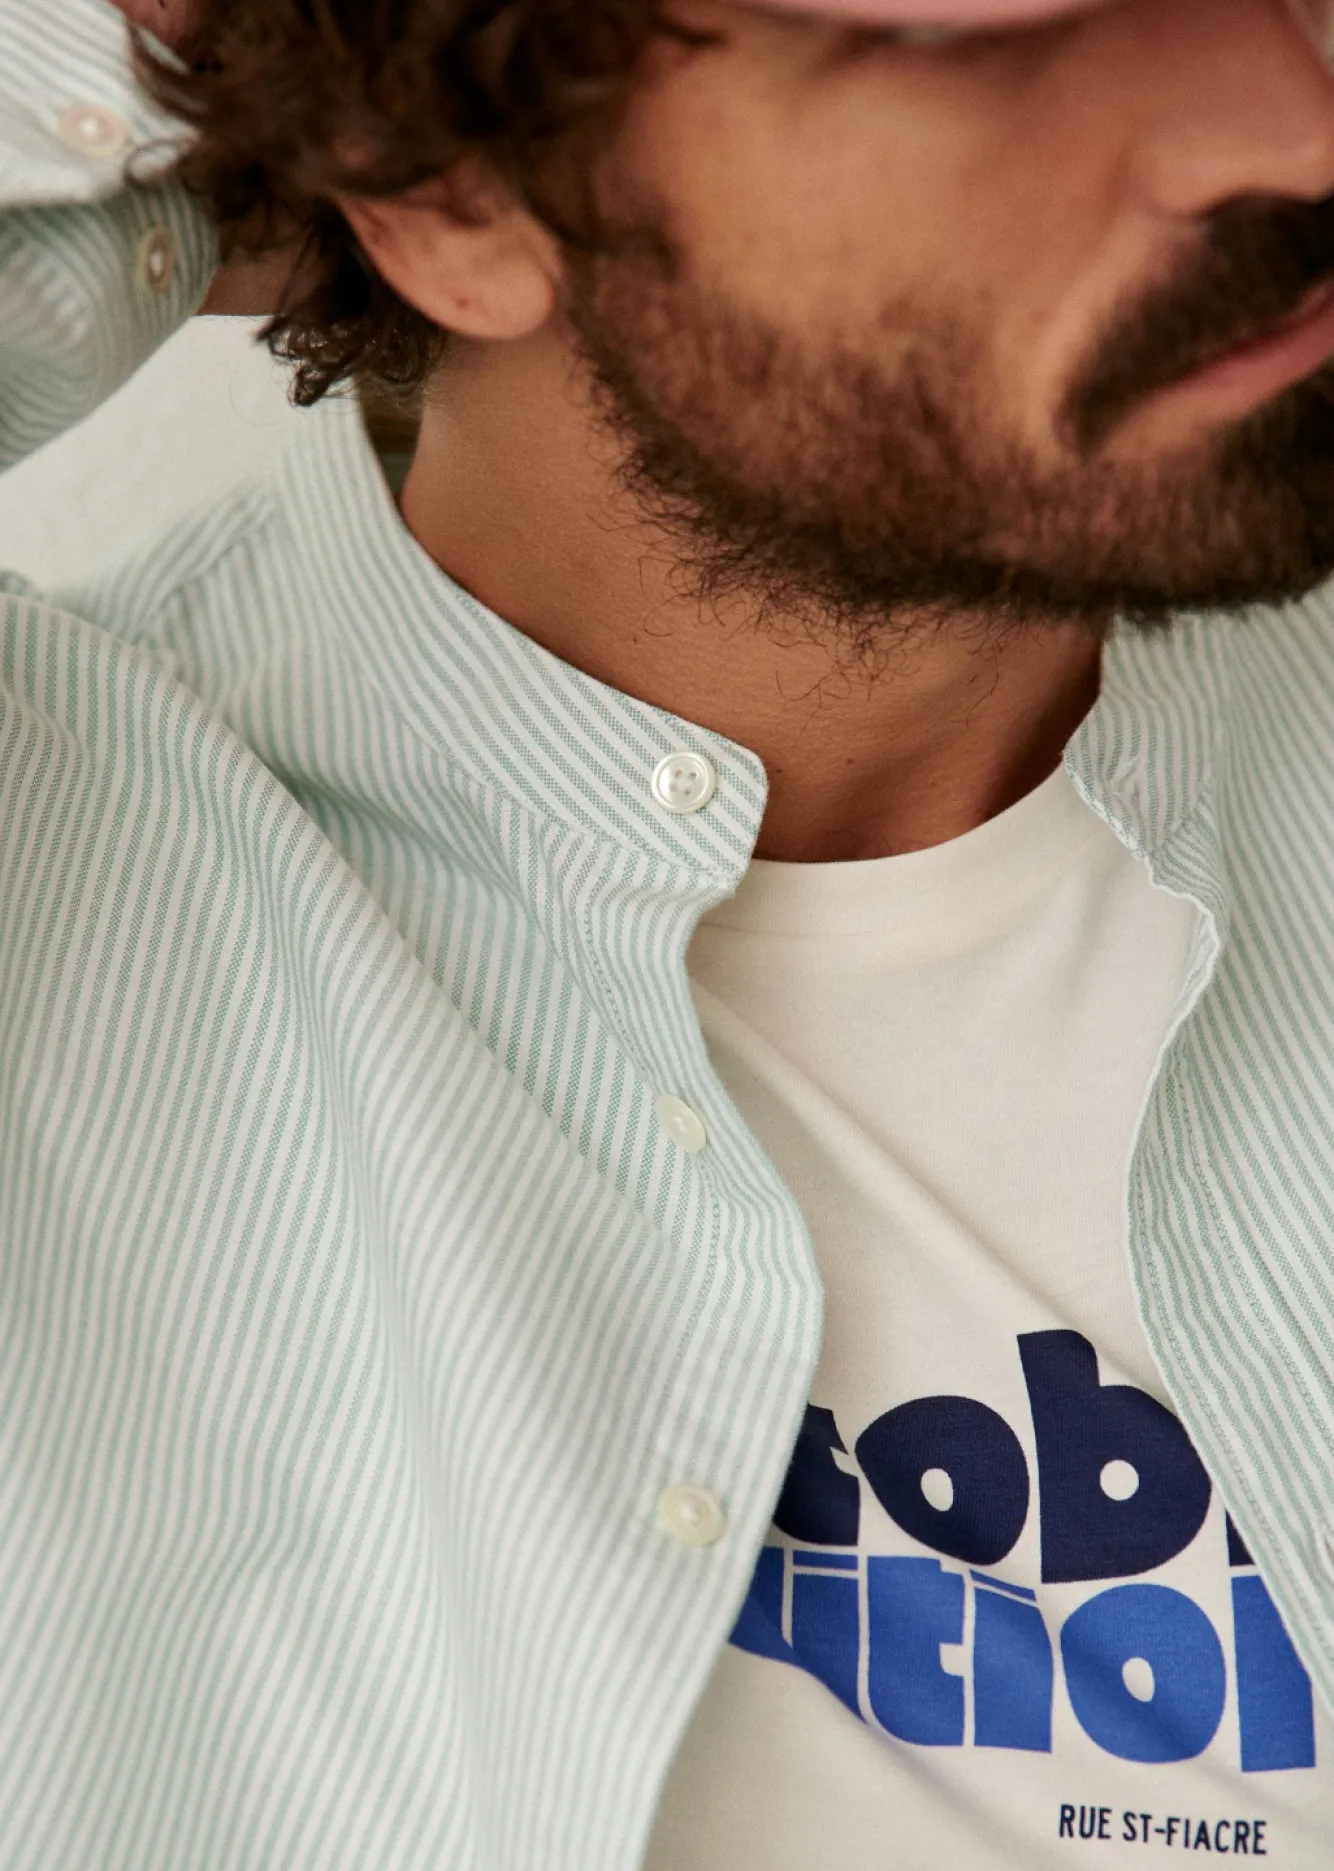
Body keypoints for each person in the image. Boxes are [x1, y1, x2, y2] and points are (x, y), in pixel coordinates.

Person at [4, 0, 1334, 1864]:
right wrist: (244, 96)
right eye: (973, 35)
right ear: (447, 194)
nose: (1292, 120)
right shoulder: (64, 869)